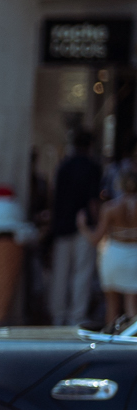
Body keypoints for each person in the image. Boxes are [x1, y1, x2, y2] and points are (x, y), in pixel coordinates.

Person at [47, 125, 105, 328]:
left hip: (62, 224)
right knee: (82, 272)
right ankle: (76, 317)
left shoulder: (64, 166)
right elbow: (93, 201)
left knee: (61, 273)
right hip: (83, 226)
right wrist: (96, 224)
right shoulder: (92, 167)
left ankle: (58, 315)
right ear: (89, 145)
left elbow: (53, 195)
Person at [94, 163, 137, 328]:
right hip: (134, 255)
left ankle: (109, 344)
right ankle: (132, 343)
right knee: (132, 303)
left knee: (112, 305)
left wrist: (83, 227)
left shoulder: (110, 208)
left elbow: (96, 238)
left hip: (114, 255)